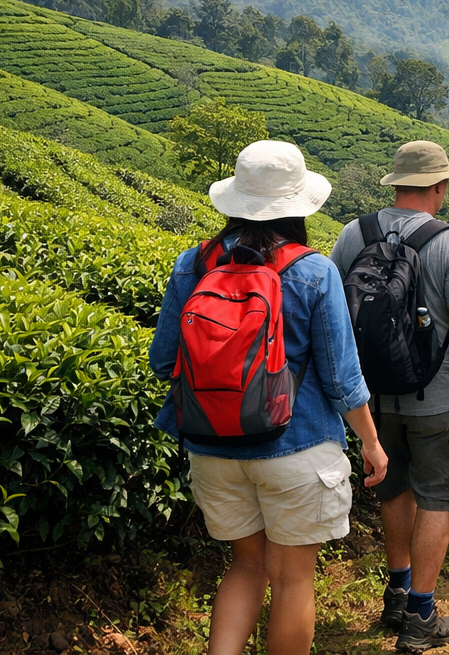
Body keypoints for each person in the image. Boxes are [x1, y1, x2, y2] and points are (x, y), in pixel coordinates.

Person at [149, 141, 391, 655]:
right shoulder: (312, 270)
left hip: (212, 448)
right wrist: (371, 442)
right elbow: (341, 377)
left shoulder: (193, 265)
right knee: (292, 579)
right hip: (296, 446)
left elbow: (164, 362)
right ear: (299, 206)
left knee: (246, 566)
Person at [328, 141, 449, 652]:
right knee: (438, 498)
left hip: (375, 396)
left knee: (394, 488)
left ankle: (397, 590)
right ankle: (422, 615)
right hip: (439, 395)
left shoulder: (353, 233)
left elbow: (339, 314)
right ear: (439, 187)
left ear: (396, 183)